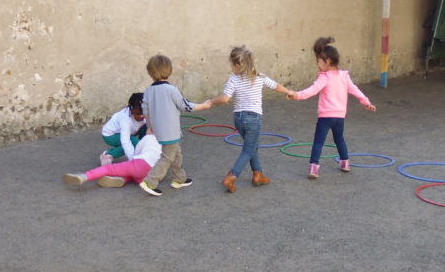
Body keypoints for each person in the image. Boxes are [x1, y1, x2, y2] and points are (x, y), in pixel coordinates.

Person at [199, 46, 294, 193]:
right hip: (253, 119)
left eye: (231, 65)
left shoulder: (233, 79)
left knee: (252, 145)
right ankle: (232, 176)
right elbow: (276, 86)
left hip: (238, 118)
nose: (231, 68)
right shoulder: (260, 77)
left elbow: (225, 98)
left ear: (238, 65)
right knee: (248, 149)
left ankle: (257, 174)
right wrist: (289, 92)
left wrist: (211, 102)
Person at [288, 36, 376, 179]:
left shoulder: (325, 77)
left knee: (318, 142)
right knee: (339, 139)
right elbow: (354, 89)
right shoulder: (344, 76)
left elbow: (312, 90)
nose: (317, 64)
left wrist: (296, 95)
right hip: (339, 117)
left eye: (318, 61)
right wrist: (366, 101)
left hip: (325, 117)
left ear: (327, 61)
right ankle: (345, 163)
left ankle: (314, 168)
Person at [139, 54, 209, 196]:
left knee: (176, 153)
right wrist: (203, 105)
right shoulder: (172, 90)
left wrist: (150, 126)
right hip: (170, 131)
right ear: (169, 70)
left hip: (160, 131)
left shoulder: (148, 91)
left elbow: (146, 111)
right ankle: (150, 181)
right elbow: (185, 106)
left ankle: (179, 178)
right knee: (167, 157)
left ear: (150, 72)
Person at [64, 134, 163, 193]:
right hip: (150, 173)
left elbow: (136, 152)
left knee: (109, 169)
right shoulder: (165, 143)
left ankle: (84, 176)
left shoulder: (148, 137)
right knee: (133, 175)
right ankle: (123, 180)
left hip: (140, 163)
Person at [99, 92, 147, 165]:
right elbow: (126, 142)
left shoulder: (146, 112)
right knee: (134, 143)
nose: (142, 116)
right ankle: (108, 154)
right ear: (131, 109)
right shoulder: (125, 119)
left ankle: (141, 152)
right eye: (138, 114)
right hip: (110, 135)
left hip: (132, 131)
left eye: (144, 113)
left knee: (147, 129)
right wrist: (133, 161)